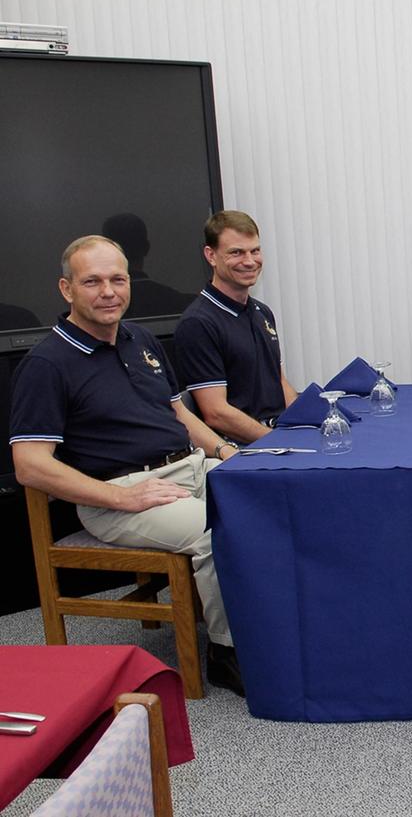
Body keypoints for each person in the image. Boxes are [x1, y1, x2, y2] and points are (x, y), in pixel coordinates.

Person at [10, 236, 244, 695]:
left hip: (189, 468)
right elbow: (29, 466)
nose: (108, 291)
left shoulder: (140, 338)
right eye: (92, 281)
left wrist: (225, 453)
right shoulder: (46, 364)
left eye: (118, 279)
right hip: (121, 495)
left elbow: (179, 414)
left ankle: (274, 627)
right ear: (66, 289)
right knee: (222, 531)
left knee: (269, 501)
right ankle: (227, 652)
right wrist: (123, 497)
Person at [173, 211, 298, 444]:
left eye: (255, 251)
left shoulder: (262, 313)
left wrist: (306, 424)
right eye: (236, 253)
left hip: (277, 434)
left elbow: (279, 382)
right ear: (211, 256)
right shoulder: (198, 324)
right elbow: (216, 414)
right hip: (245, 449)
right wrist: (279, 443)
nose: (250, 261)